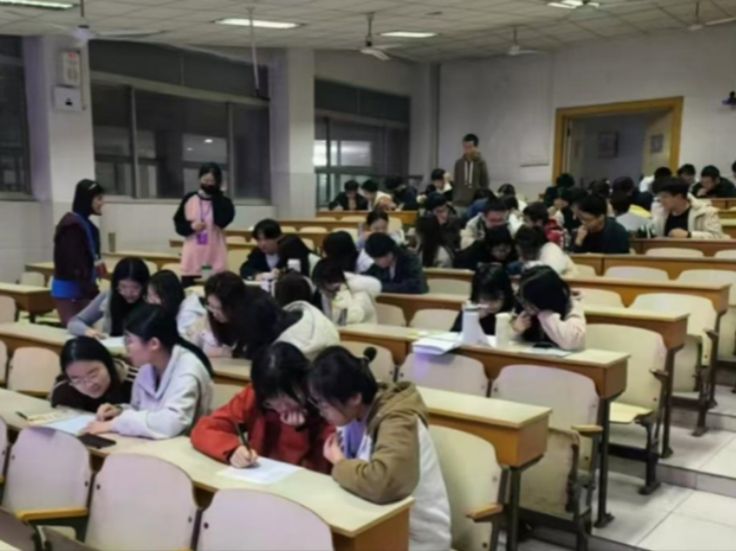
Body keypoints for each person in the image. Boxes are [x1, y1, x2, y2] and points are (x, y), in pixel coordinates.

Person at [308, 346, 451, 551]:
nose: (321, 412)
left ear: (354, 397)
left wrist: (340, 463)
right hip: (374, 522)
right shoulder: (352, 414)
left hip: (414, 538)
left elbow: (383, 484)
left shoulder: (398, 420)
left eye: (324, 404)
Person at [191, 342, 333, 473]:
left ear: (303, 382)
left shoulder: (325, 406)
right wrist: (232, 450)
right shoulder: (255, 396)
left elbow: (318, 470)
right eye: (272, 401)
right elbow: (204, 429)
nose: (281, 408)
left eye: (287, 399)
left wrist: (296, 432)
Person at [85, 304, 213, 439]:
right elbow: (141, 411)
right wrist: (119, 411)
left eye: (130, 341)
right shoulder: (148, 365)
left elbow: (172, 423)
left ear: (154, 344)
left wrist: (116, 424)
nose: (125, 347)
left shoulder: (188, 369)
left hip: (181, 446)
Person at [204, 272, 339, 360]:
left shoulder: (256, 313)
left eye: (217, 308)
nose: (213, 313)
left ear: (233, 307)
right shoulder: (245, 303)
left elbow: (260, 354)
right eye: (210, 306)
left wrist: (227, 353)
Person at [51, 179, 105, 326]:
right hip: (69, 291)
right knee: (75, 329)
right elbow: (73, 263)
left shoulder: (89, 226)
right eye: (98, 198)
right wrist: (90, 290)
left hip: (84, 288)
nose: (102, 203)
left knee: (89, 328)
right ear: (87, 199)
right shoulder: (71, 226)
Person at [174, 163, 235, 287]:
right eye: (205, 180)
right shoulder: (189, 198)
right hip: (193, 256)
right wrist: (191, 227)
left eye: (212, 181)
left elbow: (221, 221)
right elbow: (179, 224)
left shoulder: (224, 202)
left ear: (218, 182)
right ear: (199, 179)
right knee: (190, 292)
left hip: (213, 255)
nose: (208, 184)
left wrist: (217, 196)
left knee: (212, 288)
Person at [68, 257, 150, 338]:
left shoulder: (152, 300)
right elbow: (75, 322)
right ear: (115, 284)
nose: (129, 293)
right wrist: (87, 331)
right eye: (123, 287)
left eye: (135, 287)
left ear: (145, 285)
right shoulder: (108, 296)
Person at [509, 265, 586, 351]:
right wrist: (516, 331)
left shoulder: (571, 305)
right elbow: (507, 344)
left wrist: (545, 314)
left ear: (544, 300)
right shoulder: (523, 305)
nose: (525, 305)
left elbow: (571, 342)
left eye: (529, 302)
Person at [51, 336, 133, 412]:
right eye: (78, 380)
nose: (89, 385)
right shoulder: (63, 390)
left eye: (93, 375)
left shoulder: (135, 383)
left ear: (107, 364)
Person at [652, 177, 726, 239]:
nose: (660, 200)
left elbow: (717, 237)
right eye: (659, 196)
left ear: (679, 197)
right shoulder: (661, 213)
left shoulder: (706, 212)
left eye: (665, 196)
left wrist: (689, 235)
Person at [450, 264, 515, 335]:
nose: (490, 304)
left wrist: (515, 330)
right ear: (477, 295)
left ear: (506, 294)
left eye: (496, 298)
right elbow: (454, 335)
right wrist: (471, 319)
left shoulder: (515, 308)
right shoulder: (472, 307)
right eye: (485, 298)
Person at [145, 270, 207, 342]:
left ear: (169, 295)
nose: (150, 301)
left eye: (156, 296)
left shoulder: (187, 314)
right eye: (149, 296)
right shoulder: (176, 307)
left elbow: (184, 344)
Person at [312, 259, 378, 325]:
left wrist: (343, 293)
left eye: (323, 288)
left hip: (363, 329)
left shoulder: (359, 292)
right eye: (319, 287)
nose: (321, 292)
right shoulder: (327, 293)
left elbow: (352, 318)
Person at [363, 233, 428, 294]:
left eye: (377, 259)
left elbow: (418, 286)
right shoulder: (378, 266)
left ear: (389, 253)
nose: (375, 262)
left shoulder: (409, 260)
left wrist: (379, 286)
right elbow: (366, 277)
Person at [453, 133, 490, 209]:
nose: (467, 150)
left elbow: (484, 183)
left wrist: (482, 199)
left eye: (469, 147)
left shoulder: (481, 163)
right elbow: (456, 183)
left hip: (475, 203)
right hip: (458, 202)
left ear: (476, 147)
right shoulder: (459, 163)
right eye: (465, 147)